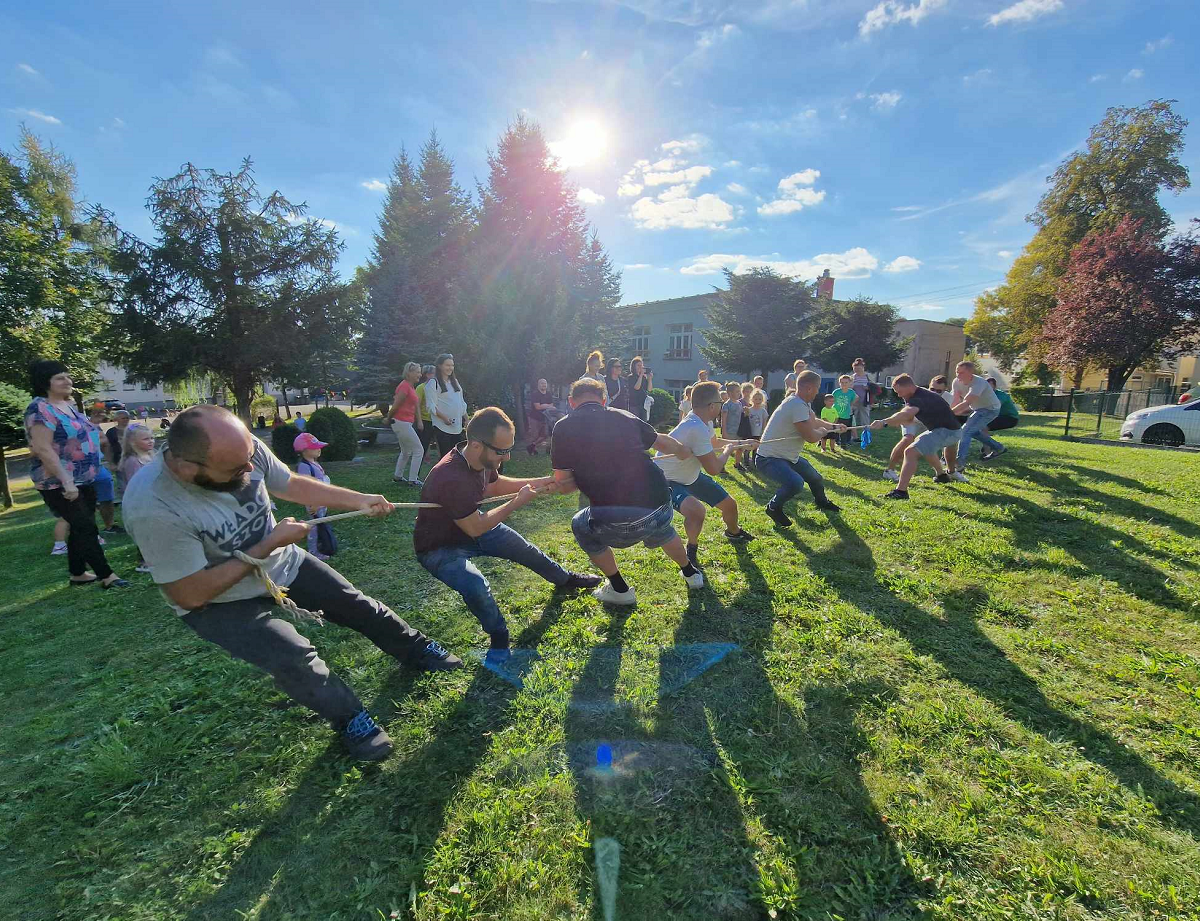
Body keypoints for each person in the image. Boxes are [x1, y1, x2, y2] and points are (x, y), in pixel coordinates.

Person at [123, 405, 461, 761]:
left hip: (282, 563)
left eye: (250, 457)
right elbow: (190, 594)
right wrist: (269, 543)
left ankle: (417, 649)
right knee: (292, 657)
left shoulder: (240, 447)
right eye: (238, 470)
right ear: (189, 468)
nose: (251, 470)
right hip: (219, 601)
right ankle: (351, 720)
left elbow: (289, 483)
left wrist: (358, 499)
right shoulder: (153, 506)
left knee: (356, 604)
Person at [414, 407, 600, 660]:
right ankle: (499, 636)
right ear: (477, 445)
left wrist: (541, 482)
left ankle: (564, 580)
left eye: (509, 449)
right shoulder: (450, 476)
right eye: (502, 451)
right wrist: (517, 502)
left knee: (525, 549)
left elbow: (494, 486)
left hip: (472, 528)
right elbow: (475, 526)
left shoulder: (479, 458)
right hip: (439, 546)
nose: (508, 457)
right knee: (475, 585)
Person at [551, 378, 704, 606]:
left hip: (617, 521)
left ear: (572, 402)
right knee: (661, 528)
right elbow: (661, 441)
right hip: (661, 504)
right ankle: (692, 574)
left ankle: (620, 589)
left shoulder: (562, 427)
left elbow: (565, 485)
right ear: (604, 400)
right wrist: (683, 451)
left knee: (580, 524)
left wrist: (568, 480)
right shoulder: (622, 415)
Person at [25, 360, 128, 588]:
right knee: (86, 527)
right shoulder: (40, 408)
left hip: (85, 477)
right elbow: (42, 448)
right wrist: (66, 480)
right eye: (59, 377)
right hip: (58, 481)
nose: (67, 381)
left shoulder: (67, 405)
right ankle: (107, 576)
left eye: (67, 376)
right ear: (45, 382)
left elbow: (77, 435)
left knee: (82, 525)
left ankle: (77, 573)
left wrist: (94, 424)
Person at [654, 381, 754, 569]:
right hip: (667, 479)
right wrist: (728, 451)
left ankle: (734, 532)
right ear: (711, 406)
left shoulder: (702, 421)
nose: (722, 405)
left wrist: (740, 442)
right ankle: (691, 548)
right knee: (697, 512)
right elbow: (714, 469)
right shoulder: (696, 427)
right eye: (720, 402)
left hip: (690, 476)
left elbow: (714, 442)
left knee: (730, 506)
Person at [754, 370, 844, 528]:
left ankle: (822, 502)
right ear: (809, 388)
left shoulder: (801, 402)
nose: (818, 391)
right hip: (769, 459)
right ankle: (773, 508)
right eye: (817, 388)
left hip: (788, 457)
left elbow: (814, 421)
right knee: (795, 483)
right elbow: (811, 437)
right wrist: (823, 432)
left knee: (815, 478)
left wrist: (834, 427)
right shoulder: (796, 405)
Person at [870, 373, 967, 501]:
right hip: (948, 430)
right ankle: (941, 475)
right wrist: (893, 421)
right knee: (922, 444)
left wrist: (884, 422)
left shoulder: (918, 398)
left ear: (909, 386)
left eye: (900, 391)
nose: (899, 395)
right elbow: (908, 418)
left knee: (911, 451)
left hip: (948, 432)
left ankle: (901, 491)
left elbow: (907, 413)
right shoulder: (918, 394)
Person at [951, 360, 1006, 463]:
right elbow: (956, 399)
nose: (958, 375)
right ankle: (999, 448)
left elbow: (967, 402)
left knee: (965, 432)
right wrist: (951, 413)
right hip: (977, 409)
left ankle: (959, 463)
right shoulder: (956, 382)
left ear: (970, 372)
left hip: (990, 409)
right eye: (957, 372)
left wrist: (949, 413)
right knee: (973, 432)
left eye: (961, 373)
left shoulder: (979, 383)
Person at [294, 431, 336, 561]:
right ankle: (313, 551)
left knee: (321, 524)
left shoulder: (314, 463)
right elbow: (306, 487)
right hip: (314, 503)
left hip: (322, 501)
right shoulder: (304, 466)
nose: (319, 449)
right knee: (314, 526)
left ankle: (323, 544)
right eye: (315, 447)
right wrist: (315, 503)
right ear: (304, 450)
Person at [120, 423, 157, 573]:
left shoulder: (152, 456)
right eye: (145, 439)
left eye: (152, 438)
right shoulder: (133, 461)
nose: (151, 441)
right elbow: (135, 484)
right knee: (145, 531)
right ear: (133, 442)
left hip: (155, 499)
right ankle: (144, 561)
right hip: (142, 502)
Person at [385, 361, 425, 486]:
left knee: (406, 451)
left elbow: (415, 405)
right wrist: (388, 418)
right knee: (419, 450)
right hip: (400, 422)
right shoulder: (404, 386)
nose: (420, 374)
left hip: (404, 422)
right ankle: (413, 480)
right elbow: (396, 405)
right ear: (409, 373)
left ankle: (398, 476)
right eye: (417, 372)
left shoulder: (410, 386)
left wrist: (418, 421)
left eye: (420, 372)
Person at [426, 353, 468, 459]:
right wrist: (444, 418)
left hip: (457, 427)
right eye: (447, 365)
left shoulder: (455, 383)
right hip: (442, 427)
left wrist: (466, 419)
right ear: (440, 366)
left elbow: (461, 403)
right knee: (446, 458)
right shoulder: (433, 383)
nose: (450, 368)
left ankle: (456, 476)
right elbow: (431, 406)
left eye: (452, 365)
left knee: (458, 457)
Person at [86, 406, 121, 533]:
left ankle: (109, 526)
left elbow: (105, 442)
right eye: (97, 413)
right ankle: (87, 530)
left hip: (98, 467)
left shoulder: (94, 426)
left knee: (107, 498)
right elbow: (85, 445)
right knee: (83, 501)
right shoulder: (78, 424)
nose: (101, 415)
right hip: (79, 469)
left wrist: (110, 462)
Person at [526, 378, 561, 455]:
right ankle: (532, 450)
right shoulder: (535, 394)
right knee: (534, 435)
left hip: (545, 418)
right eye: (542, 383)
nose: (544, 385)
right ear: (538, 385)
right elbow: (537, 407)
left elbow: (551, 405)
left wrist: (544, 405)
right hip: (534, 417)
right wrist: (547, 405)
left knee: (544, 435)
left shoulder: (548, 394)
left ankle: (532, 446)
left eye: (545, 383)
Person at [986, 377, 1020, 446]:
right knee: (979, 426)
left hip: (1011, 418)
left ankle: (991, 449)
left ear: (995, 386)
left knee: (983, 427)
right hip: (1000, 416)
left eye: (989, 386)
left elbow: (995, 406)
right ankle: (989, 446)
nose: (987, 388)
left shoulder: (1001, 395)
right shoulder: (987, 395)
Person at [719, 382, 745, 471]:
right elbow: (724, 419)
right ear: (730, 393)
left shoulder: (739, 403)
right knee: (728, 449)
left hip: (739, 430)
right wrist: (724, 431)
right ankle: (721, 466)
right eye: (737, 391)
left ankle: (737, 464)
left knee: (740, 448)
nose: (739, 393)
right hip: (729, 431)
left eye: (739, 391)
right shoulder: (727, 405)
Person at [413, 364, 436, 461]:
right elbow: (416, 405)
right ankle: (420, 461)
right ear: (427, 374)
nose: (435, 376)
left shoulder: (436, 387)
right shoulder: (421, 388)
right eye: (434, 374)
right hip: (424, 420)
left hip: (436, 420)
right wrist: (419, 421)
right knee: (423, 444)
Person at [832, 374, 858, 448]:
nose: (844, 384)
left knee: (844, 429)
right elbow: (832, 401)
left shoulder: (851, 392)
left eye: (846, 382)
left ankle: (844, 444)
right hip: (836, 413)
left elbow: (856, 398)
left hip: (846, 414)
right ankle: (836, 441)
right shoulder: (836, 392)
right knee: (836, 428)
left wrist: (851, 404)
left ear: (849, 383)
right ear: (839, 383)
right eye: (842, 383)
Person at [850, 359, 873, 434]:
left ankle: (866, 435)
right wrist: (851, 386)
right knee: (852, 418)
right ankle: (852, 435)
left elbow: (874, 387)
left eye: (859, 369)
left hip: (865, 401)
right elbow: (848, 388)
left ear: (863, 368)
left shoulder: (867, 376)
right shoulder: (852, 377)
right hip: (854, 401)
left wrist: (868, 388)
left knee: (865, 418)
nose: (857, 371)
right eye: (855, 369)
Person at [746, 388, 768, 463]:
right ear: (752, 399)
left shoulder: (763, 411)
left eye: (760, 399)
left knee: (756, 448)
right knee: (748, 447)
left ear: (762, 400)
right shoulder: (749, 410)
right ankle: (746, 462)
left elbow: (764, 421)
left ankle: (754, 462)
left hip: (758, 433)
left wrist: (763, 432)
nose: (758, 401)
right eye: (756, 399)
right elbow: (745, 420)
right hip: (749, 432)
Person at [628, 357, 654, 422]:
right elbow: (637, 387)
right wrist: (641, 375)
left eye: (641, 365)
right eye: (638, 365)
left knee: (643, 423)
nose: (640, 367)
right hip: (634, 404)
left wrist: (650, 379)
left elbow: (649, 389)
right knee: (635, 423)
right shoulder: (631, 377)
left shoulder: (644, 378)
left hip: (644, 404)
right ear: (634, 366)